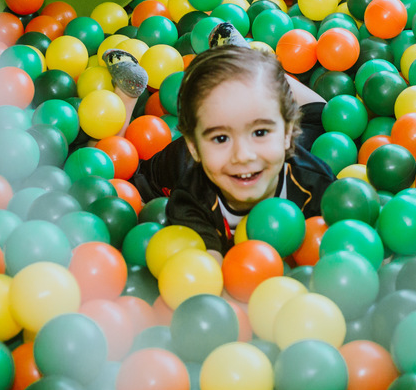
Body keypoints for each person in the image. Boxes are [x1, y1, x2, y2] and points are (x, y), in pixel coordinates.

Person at [103, 25, 334, 253]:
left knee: (321, 117)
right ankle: (127, 93)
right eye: (222, 138)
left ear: (286, 136)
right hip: (183, 166)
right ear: (194, 147)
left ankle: (245, 61)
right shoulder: (191, 198)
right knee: (118, 179)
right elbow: (210, 268)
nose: (243, 155)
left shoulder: (317, 183)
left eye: (260, 133)